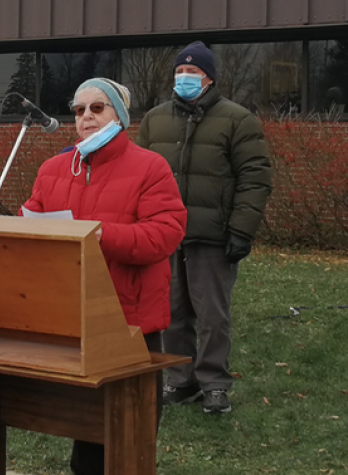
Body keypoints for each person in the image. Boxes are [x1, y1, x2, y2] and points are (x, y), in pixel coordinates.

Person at [22, 78, 186, 475]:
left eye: (98, 108)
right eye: (79, 111)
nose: (86, 118)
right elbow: (30, 224)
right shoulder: (53, 168)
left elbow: (164, 234)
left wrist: (95, 233)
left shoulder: (151, 167)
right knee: (88, 442)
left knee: (130, 441)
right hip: (72, 318)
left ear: (120, 116)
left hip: (130, 322)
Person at [136, 41, 272, 415]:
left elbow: (255, 179)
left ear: (209, 77)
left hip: (213, 236)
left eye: (192, 72)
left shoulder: (238, 119)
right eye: (180, 71)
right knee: (173, 314)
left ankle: (214, 384)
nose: (184, 77)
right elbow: (140, 176)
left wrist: (241, 230)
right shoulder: (154, 120)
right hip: (166, 236)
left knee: (213, 315)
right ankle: (181, 380)